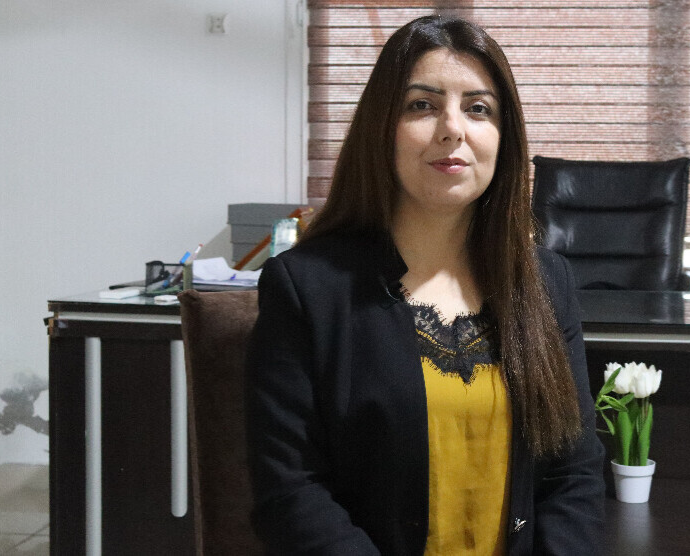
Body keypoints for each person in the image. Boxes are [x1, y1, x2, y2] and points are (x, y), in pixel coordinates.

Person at [246, 14, 605, 556]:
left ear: (503, 139)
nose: (452, 128)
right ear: (382, 128)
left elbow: (573, 473)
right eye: (422, 105)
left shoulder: (545, 282)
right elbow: (291, 491)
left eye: (478, 108)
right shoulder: (307, 288)